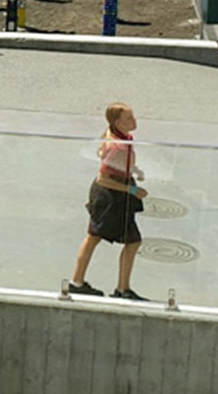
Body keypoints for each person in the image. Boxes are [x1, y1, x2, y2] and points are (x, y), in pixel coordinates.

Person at [67, 102, 148, 301]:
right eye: (129, 118)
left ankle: (114, 287)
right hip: (110, 195)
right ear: (118, 122)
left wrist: (132, 171)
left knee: (121, 239)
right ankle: (85, 284)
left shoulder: (122, 138)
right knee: (103, 237)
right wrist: (132, 189)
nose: (134, 120)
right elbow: (104, 177)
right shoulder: (117, 146)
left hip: (118, 193)